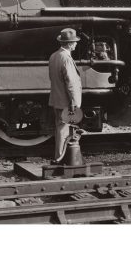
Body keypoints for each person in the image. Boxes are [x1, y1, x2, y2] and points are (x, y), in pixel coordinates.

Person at [48, 28, 82, 163]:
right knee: (64, 130)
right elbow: (71, 82)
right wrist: (75, 102)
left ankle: (61, 156)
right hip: (66, 101)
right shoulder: (66, 58)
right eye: (74, 42)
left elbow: (52, 77)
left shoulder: (53, 56)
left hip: (56, 98)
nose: (76, 44)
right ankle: (60, 158)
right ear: (69, 44)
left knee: (60, 128)